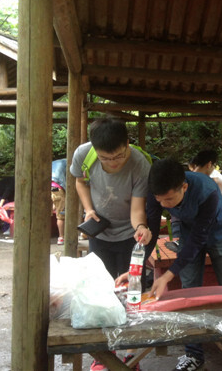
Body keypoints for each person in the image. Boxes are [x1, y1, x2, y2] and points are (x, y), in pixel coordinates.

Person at [69, 117, 154, 371]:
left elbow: (137, 208)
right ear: (95, 150)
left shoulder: (139, 164)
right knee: (101, 293)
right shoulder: (84, 154)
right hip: (100, 234)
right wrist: (88, 209)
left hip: (129, 235)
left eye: (118, 156)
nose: (113, 162)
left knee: (131, 294)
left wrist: (140, 228)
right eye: (106, 158)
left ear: (127, 143)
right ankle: (103, 355)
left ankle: (130, 355)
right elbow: (79, 181)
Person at [143, 158, 222, 371]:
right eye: (159, 200)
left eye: (169, 199)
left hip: (219, 230)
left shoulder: (207, 191)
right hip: (189, 229)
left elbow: (198, 239)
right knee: (188, 291)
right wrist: (138, 268)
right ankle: (194, 354)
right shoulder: (156, 190)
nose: (164, 204)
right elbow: (152, 229)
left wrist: (167, 275)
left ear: (184, 187)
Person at [189, 150, 222, 237]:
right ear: (209, 164)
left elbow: (218, 183)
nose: (213, 168)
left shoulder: (209, 174)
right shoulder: (202, 174)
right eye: (213, 165)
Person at [51, 159, 67, 246]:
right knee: (61, 215)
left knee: (55, 205)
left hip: (50, 186)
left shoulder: (55, 163)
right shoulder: (69, 163)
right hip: (58, 188)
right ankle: (61, 237)